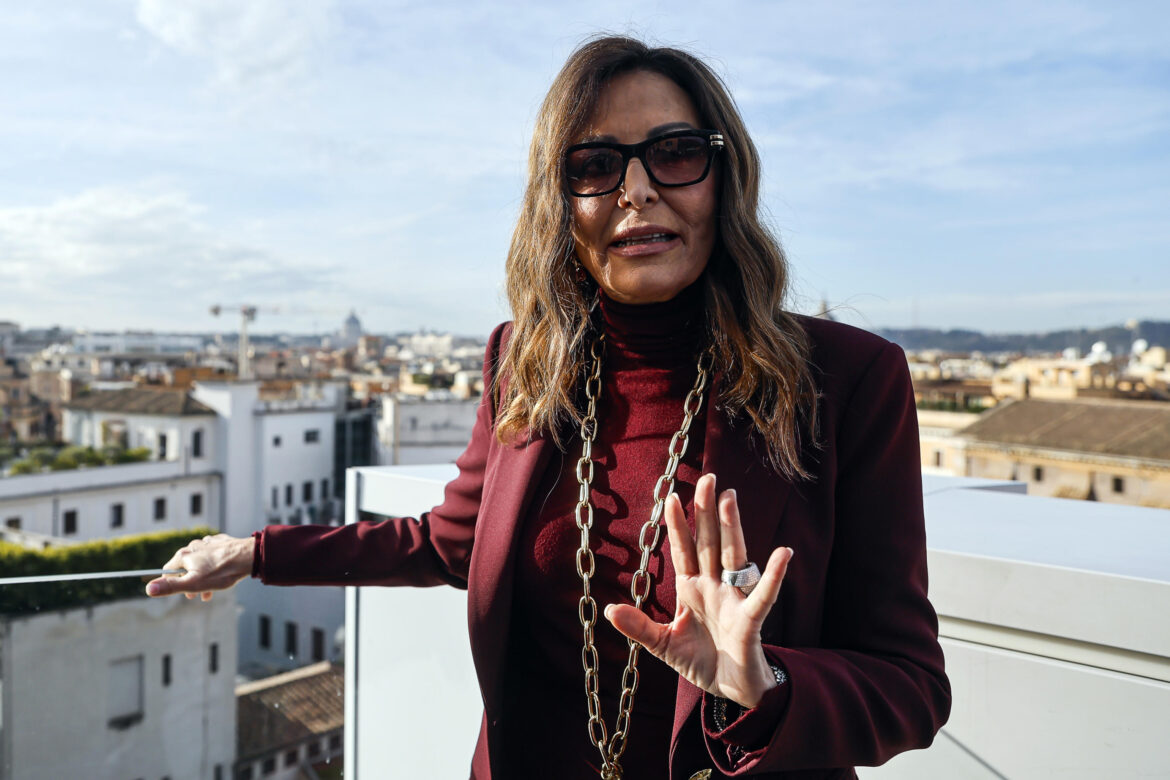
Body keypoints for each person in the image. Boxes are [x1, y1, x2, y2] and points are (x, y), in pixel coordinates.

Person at [148, 35, 950, 780]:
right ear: (559, 202)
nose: (637, 190)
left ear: (724, 175)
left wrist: (766, 685)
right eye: (595, 164)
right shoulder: (525, 361)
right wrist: (259, 553)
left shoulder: (845, 379)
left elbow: (912, 688)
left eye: (675, 153)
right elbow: (450, 541)